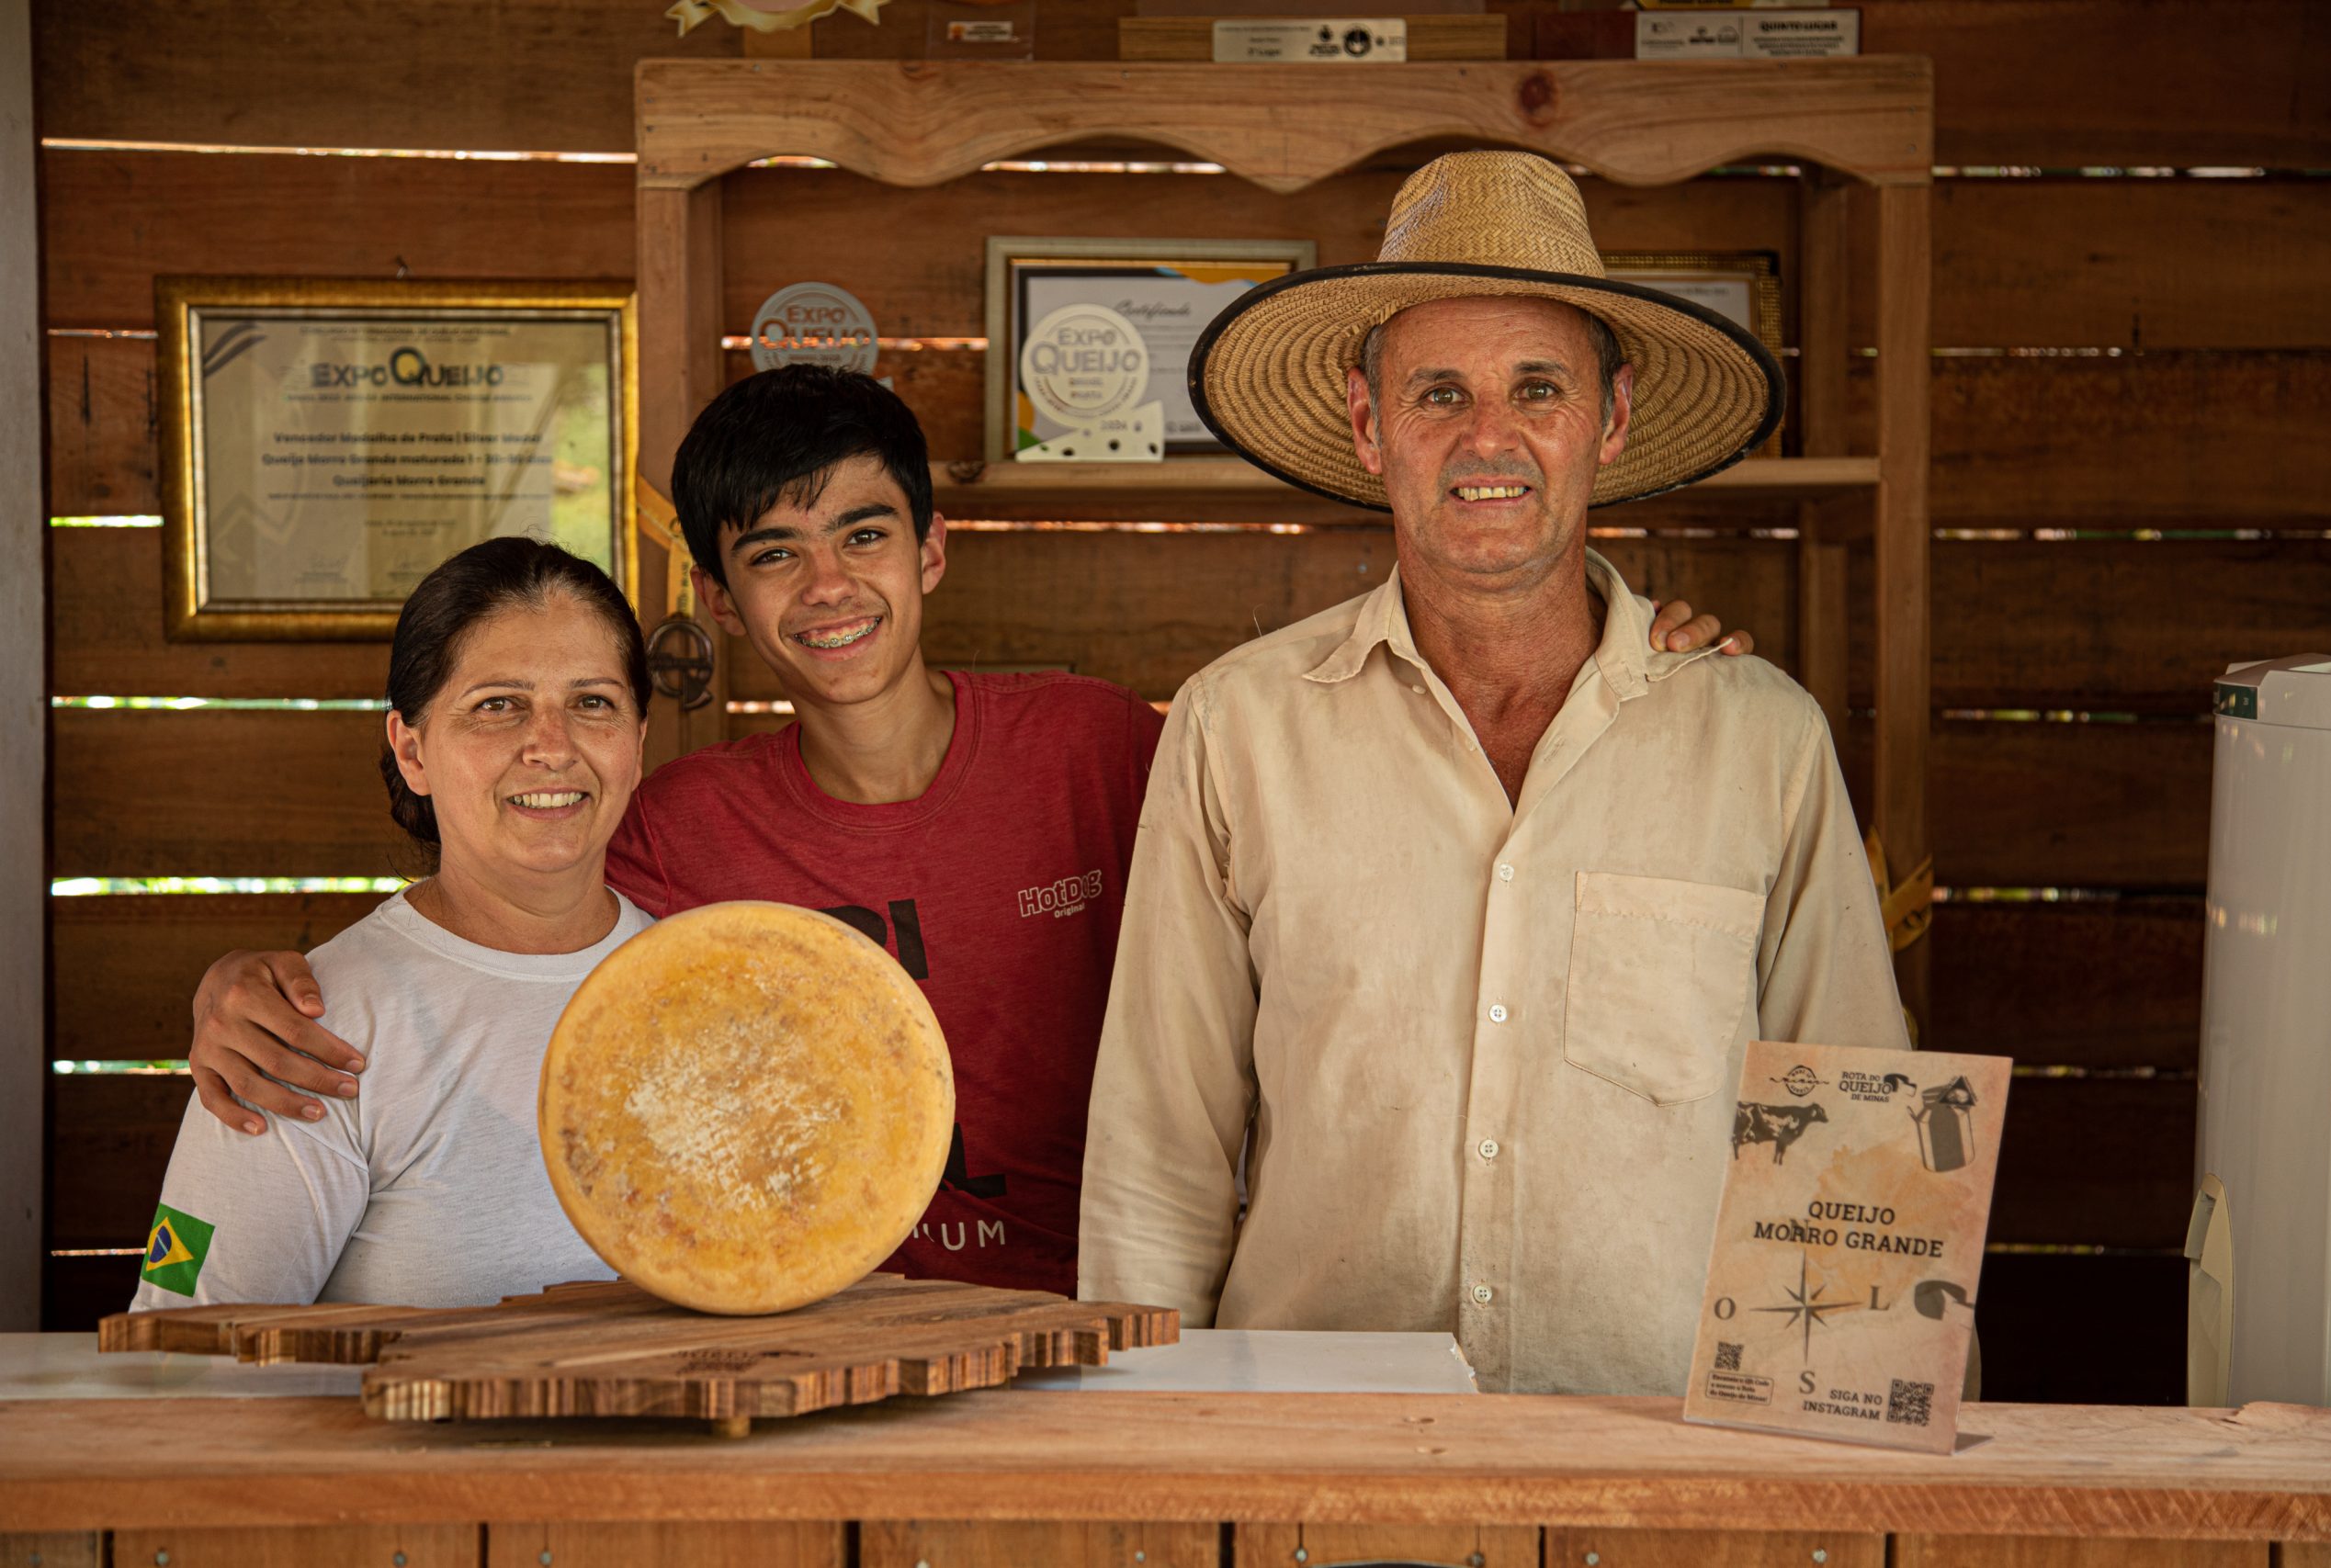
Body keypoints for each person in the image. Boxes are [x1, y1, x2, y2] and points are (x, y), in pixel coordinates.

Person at [175, 369, 1752, 1299]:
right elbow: (501, 907)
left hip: (1103, 1325)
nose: (829, 586)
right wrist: (257, 984)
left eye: (864, 533)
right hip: (809, 1349)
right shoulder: (678, 826)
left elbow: (1350, 844)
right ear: (722, 600)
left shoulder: (1103, 745)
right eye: (774, 554)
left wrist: (1611, 657)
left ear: (932, 549)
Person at [1076, 152, 1909, 1393]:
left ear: (1609, 420)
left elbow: (1854, 1141)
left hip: (1661, 1459)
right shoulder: (1235, 728)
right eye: (1438, 393)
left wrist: (1847, 1464)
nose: (1488, 437)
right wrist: (1144, 1438)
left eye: (1537, 387)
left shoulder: (1759, 741)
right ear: (1369, 426)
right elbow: (1161, 1148)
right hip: (1317, 1450)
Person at [133, 537, 652, 1307]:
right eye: (497, 705)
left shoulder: (709, 989)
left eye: (593, 702)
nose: (552, 746)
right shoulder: (303, 1031)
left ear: (637, 743)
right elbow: (179, 1332)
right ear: (412, 750)